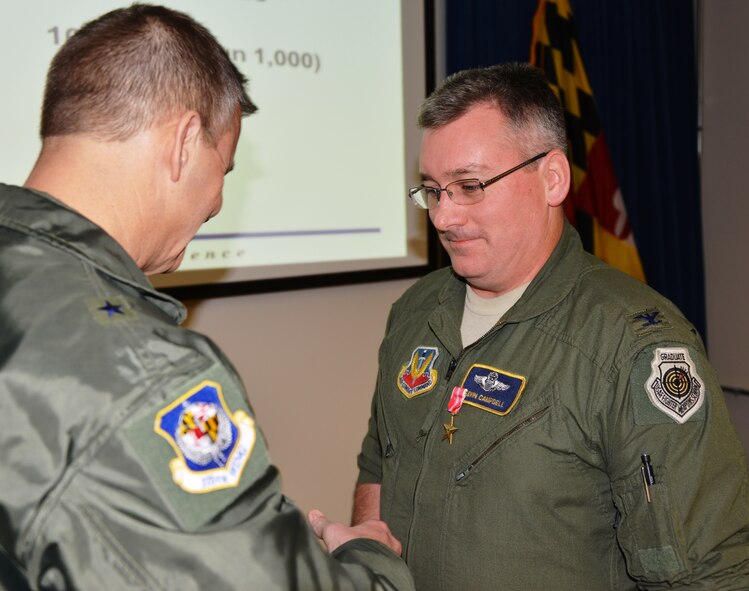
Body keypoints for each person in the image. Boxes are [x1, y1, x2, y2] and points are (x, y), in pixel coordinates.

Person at [0, 5, 415, 590]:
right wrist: (371, 561)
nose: (218, 203)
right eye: (225, 168)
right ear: (185, 142)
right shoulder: (144, 373)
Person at [353, 62, 749, 589]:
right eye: (432, 189)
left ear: (552, 179)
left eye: (469, 186)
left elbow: (708, 574)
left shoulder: (632, 346)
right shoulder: (415, 312)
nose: (444, 216)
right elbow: (378, 461)